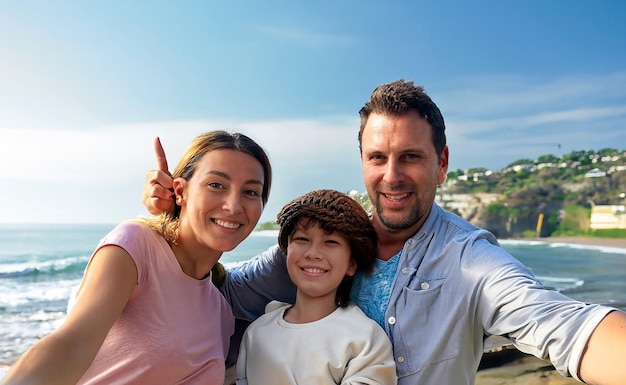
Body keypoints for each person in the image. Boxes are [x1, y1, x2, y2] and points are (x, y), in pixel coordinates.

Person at [142, 80, 626, 385]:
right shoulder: (319, 248)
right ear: (363, 163)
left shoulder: (469, 260)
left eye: (411, 157)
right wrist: (176, 222)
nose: (392, 175)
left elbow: (564, 325)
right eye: (378, 157)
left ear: (442, 163)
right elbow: (209, 292)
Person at [2, 130, 273, 385]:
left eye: (250, 192)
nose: (233, 205)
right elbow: (71, 345)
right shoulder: (136, 246)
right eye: (216, 184)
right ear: (180, 191)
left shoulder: (220, 309)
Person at [235, 189, 397, 385]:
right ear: (286, 250)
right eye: (302, 239)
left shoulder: (365, 340)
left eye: (330, 242)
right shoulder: (257, 332)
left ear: (352, 264)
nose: (313, 253)